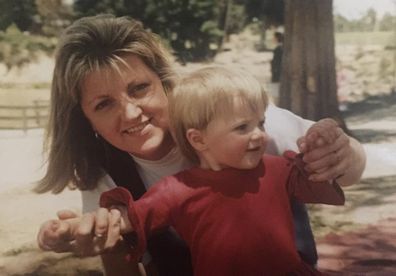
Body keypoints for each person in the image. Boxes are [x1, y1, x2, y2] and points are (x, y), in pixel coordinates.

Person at [35, 14, 366, 276]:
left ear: (164, 83)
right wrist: (102, 240)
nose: (131, 113)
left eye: (139, 88)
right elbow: (124, 260)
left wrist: (341, 152)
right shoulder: (106, 174)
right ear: (85, 120)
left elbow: (348, 170)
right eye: (103, 104)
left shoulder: (240, 121)